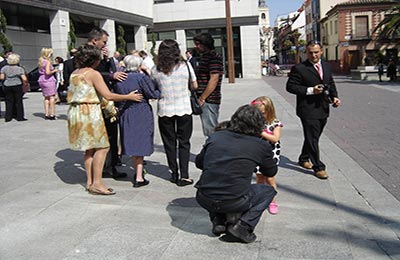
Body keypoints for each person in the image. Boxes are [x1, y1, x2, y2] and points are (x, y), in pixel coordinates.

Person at [195, 105, 277, 243]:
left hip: (204, 197)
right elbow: (270, 172)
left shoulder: (216, 136)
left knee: (217, 182)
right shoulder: (260, 144)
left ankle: (218, 220)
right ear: (259, 125)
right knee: (268, 191)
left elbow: (199, 163)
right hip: (235, 201)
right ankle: (243, 226)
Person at [67, 44, 142, 195]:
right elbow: (108, 95)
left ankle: (89, 182)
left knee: (89, 149)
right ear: (94, 60)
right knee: (102, 147)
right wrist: (128, 97)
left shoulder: (75, 73)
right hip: (90, 112)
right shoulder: (93, 74)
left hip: (76, 113)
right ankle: (98, 183)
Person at [286, 40, 341, 180]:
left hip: (323, 107)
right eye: (310, 53)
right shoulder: (299, 68)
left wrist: (335, 97)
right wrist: (310, 90)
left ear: (321, 51)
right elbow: (290, 87)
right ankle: (318, 167)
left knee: (313, 137)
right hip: (307, 109)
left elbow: (330, 83)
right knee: (313, 138)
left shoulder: (327, 66)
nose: (314, 55)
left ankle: (304, 158)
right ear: (306, 53)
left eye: (316, 52)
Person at [151, 39, 198, 186]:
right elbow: (194, 85)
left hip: (165, 109)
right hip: (184, 107)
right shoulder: (186, 66)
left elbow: (154, 87)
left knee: (169, 143)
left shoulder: (155, 69)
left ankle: (174, 172)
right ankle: (184, 175)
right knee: (184, 142)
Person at [86, 26, 128, 179]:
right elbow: (91, 74)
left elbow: (111, 71)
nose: (105, 45)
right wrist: (111, 75)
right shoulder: (84, 55)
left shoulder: (102, 56)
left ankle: (112, 165)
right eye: (103, 42)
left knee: (111, 134)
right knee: (100, 139)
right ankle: (101, 170)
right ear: (95, 40)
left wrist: (107, 59)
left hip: (106, 102)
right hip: (96, 103)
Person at [115, 55, 160, 188]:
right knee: (140, 144)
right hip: (140, 111)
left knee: (132, 143)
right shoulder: (141, 78)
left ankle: (137, 172)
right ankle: (139, 177)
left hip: (126, 112)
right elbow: (152, 94)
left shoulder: (120, 78)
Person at [250, 96, 283, 215]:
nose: (261, 115)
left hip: (270, 154)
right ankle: (258, 198)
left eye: (263, 113)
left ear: (269, 110)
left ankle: (272, 201)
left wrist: (261, 132)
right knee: (259, 177)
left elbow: (275, 138)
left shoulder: (276, 123)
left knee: (269, 178)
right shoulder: (255, 122)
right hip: (257, 153)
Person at [193, 32, 223, 137]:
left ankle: (214, 151)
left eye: (198, 44)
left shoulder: (213, 57)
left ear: (205, 44)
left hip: (209, 99)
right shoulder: (204, 57)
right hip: (206, 98)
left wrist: (202, 98)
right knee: (209, 129)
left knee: (211, 130)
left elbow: (214, 79)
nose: (195, 46)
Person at [0, 53, 28, 122]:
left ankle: (8, 117)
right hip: (17, 85)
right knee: (18, 101)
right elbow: (24, 79)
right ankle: (20, 117)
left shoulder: (4, 68)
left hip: (7, 85)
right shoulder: (19, 69)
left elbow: (2, 77)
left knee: (8, 101)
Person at [38, 47, 58, 120]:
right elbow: (47, 72)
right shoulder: (47, 62)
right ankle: (52, 114)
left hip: (41, 79)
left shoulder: (41, 61)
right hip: (48, 80)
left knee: (46, 97)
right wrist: (54, 70)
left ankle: (46, 113)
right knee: (52, 97)